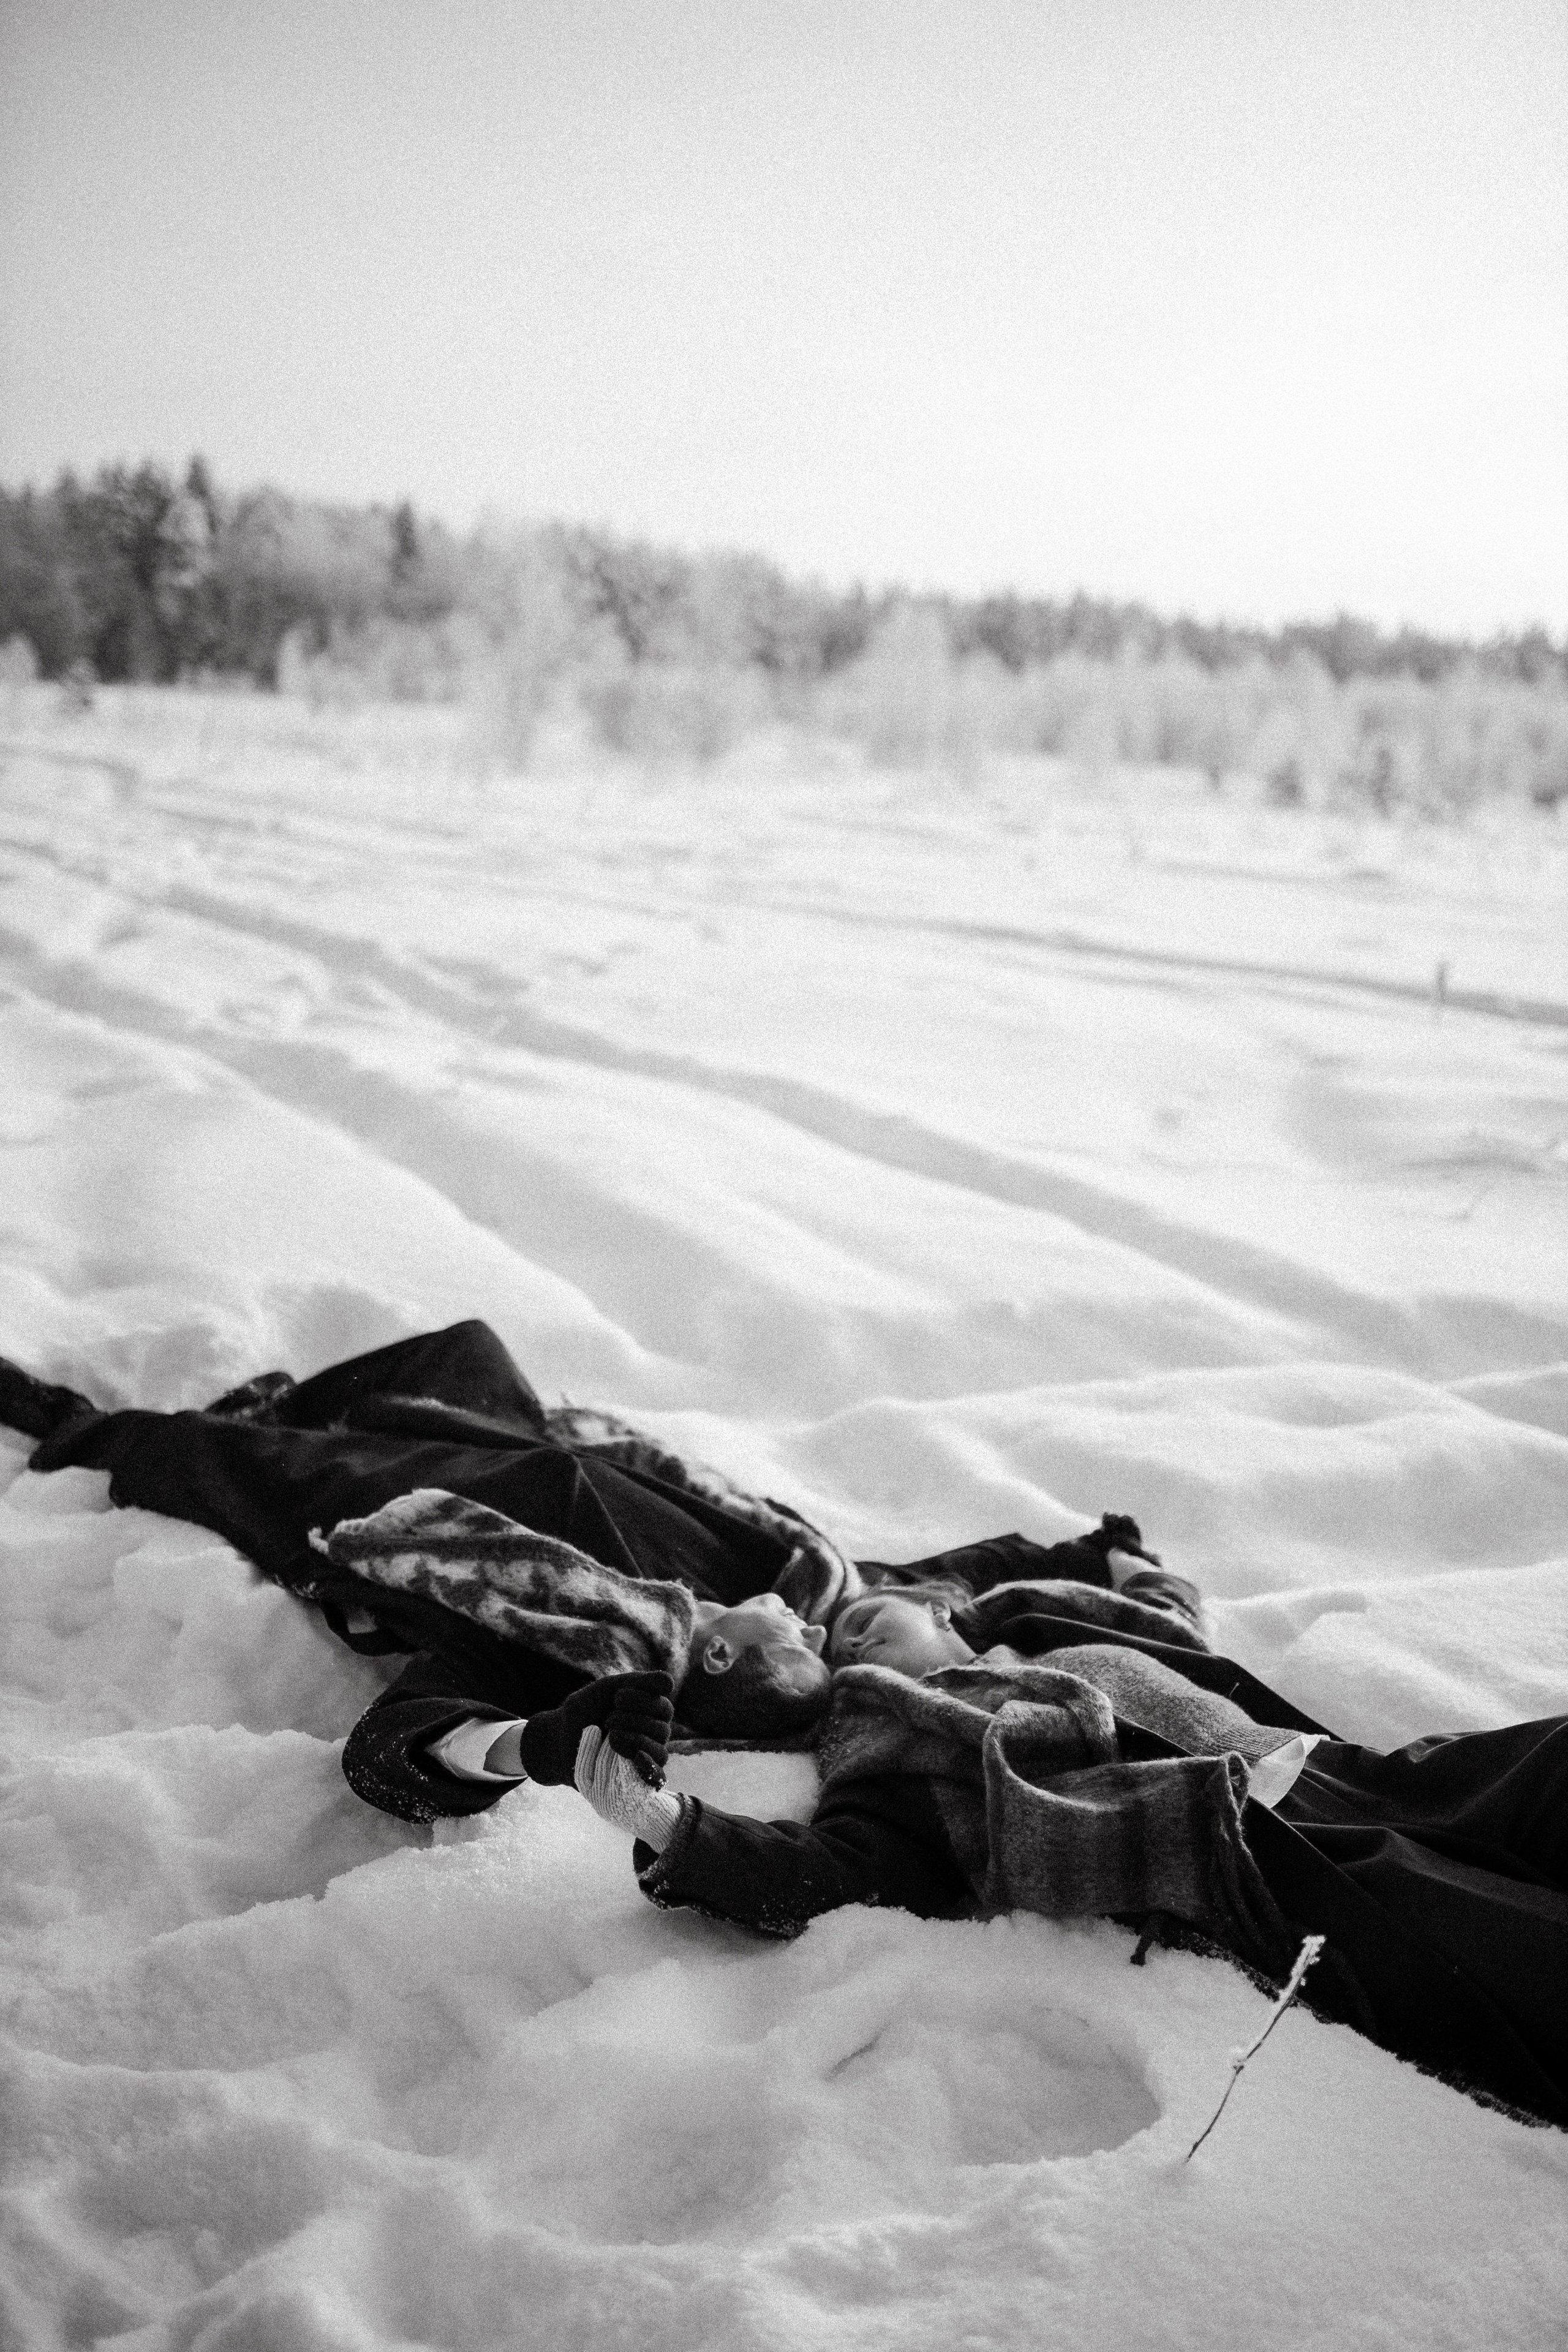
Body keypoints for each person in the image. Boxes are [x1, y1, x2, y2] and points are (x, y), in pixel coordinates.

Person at [0, 1321, 1185, 1823]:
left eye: (796, 1643)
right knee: (465, 1353)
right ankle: (313, 1407)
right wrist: (1090, 1554)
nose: (816, 1625)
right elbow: (954, 1567)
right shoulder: (805, 1579)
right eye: (841, 1630)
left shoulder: (567, 1641)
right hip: (536, 1448)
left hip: (408, 1502)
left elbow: (391, 1757)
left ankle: (72, 1417)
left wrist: (533, 1747)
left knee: (205, 1454)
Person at [571, 1585, 1568, 2128]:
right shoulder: (887, 1736)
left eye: (869, 1616)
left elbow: (1169, 1625)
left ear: (943, 1610)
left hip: (1346, 1774)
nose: (844, 1633)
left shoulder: (1033, 1633)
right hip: (1259, 1848)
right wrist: (673, 1827)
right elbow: (839, 1871)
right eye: (837, 1643)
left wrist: (1133, 1571)